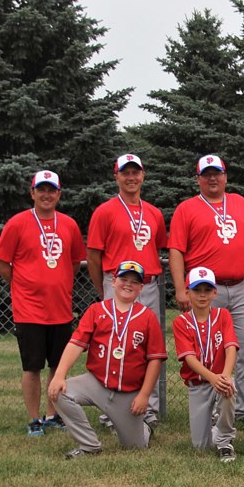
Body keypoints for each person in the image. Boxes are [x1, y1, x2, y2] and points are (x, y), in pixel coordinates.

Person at [169, 154, 244, 423]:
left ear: (226, 176)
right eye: (206, 174)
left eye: (217, 173)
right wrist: (181, 288)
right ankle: (215, 409)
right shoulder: (187, 208)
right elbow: (176, 251)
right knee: (211, 351)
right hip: (205, 291)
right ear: (198, 180)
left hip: (240, 288)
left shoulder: (238, 203)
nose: (213, 178)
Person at [0, 170, 85, 437]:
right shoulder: (17, 223)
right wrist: (24, 283)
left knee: (59, 366)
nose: (47, 195)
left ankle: (52, 415)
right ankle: (34, 419)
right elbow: (2, 263)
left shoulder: (68, 224)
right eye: (41, 189)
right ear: (32, 193)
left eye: (52, 190)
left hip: (60, 309)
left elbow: (75, 262)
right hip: (29, 310)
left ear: (59, 194)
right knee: (32, 366)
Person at [47, 261, 167, 458]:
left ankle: (144, 430)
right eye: (123, 279)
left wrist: (144, 395)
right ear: (113, 281)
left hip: (128, 393)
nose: (128, 284)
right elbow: (76, 344)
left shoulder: (147, 317)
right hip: (96, 383)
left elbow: (155, 360)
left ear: (141, 288)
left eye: (134, 282)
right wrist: (59, 375)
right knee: (60, 392)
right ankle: (89, 445)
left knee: (135, 448)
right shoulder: (97, 310)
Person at [87, 153, 168, 427]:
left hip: (148, 284)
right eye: (125, 173)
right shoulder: (105, 211)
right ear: (116, 176)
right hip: (117, 283)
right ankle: (109, 410)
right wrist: (104, 289)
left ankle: (149, 408)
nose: (131, 177)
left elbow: (156, 247)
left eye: (136, 172)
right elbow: (94, 255)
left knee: (150, 347)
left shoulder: (154, 212)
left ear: (143, 176)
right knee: (113, 345)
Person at [172, 266, 240, 462]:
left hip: (220, 379)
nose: (202, 295)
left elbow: (231, 347)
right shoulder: (181, 322)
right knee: (200, 446)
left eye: (207, 290)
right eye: (197, 291)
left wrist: (225, 376)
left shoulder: (223, 315)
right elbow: (189, 358)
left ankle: (225, 441)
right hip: (198, 384)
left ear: (215, 292)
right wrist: (212, 378)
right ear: (187, 293)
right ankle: (212, 422)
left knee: (229, 387)